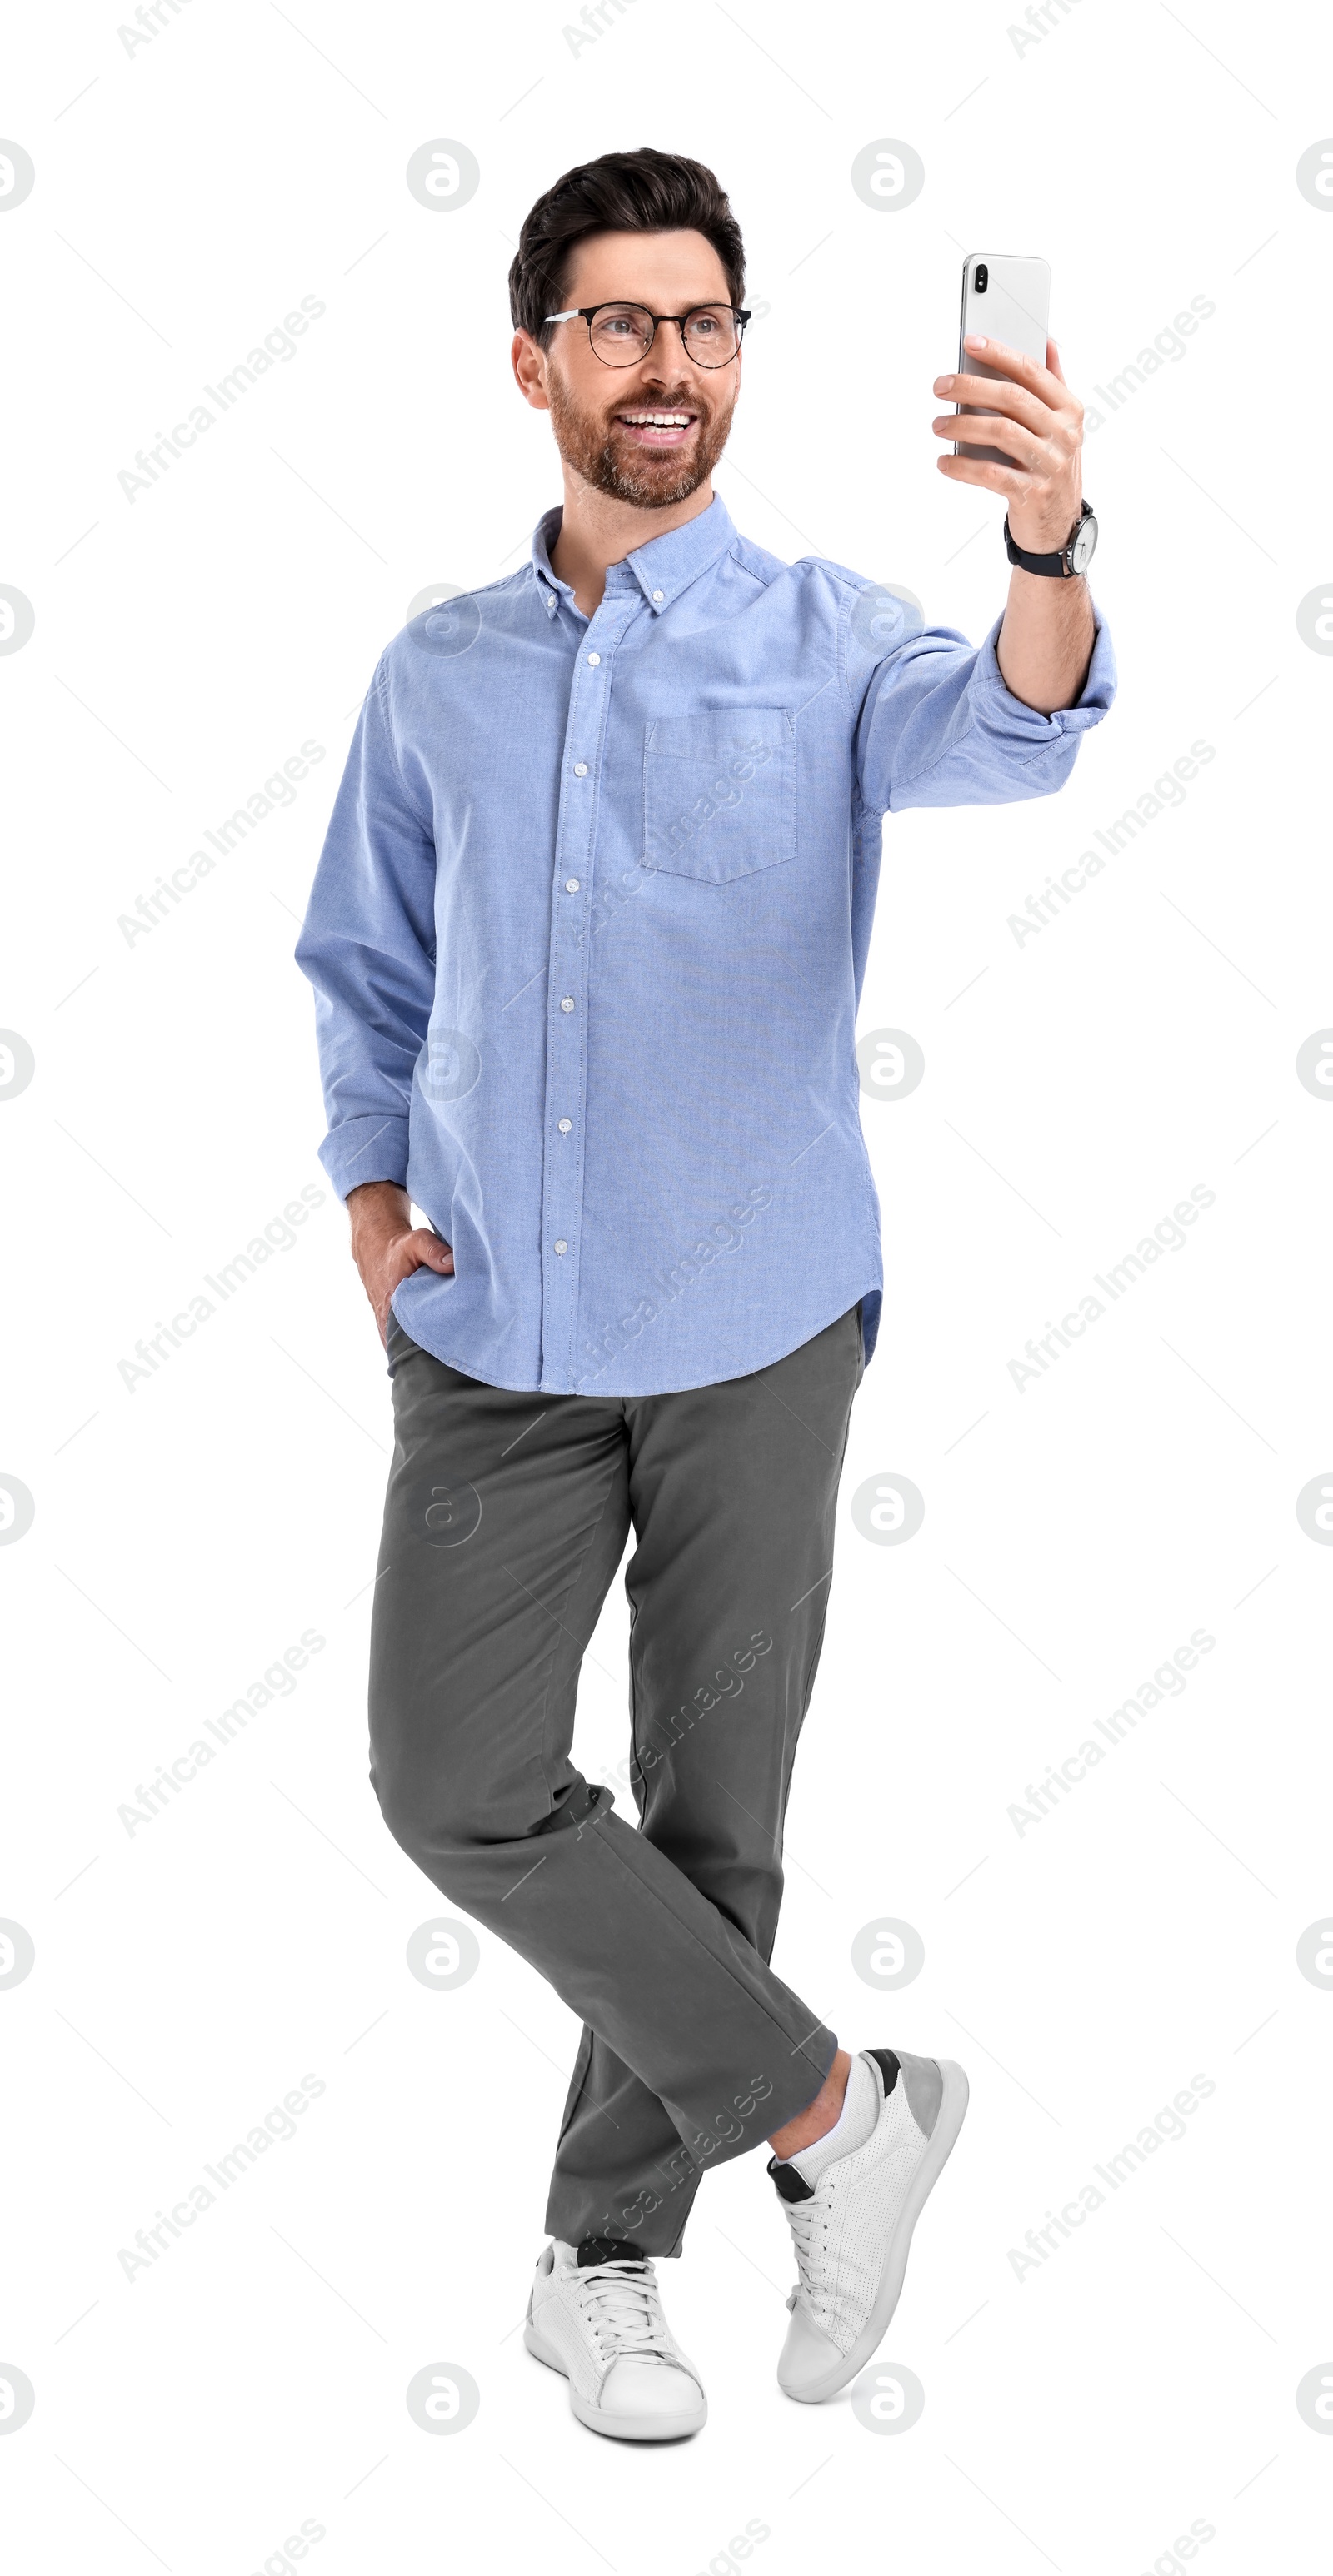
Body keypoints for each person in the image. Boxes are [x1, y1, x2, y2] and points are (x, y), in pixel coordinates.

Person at [295, 146, 1114, 2443]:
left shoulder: (840, 638)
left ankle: (602, 2264)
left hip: (761, 1326)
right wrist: (370, 1189)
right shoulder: (434, 673)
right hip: (492, 1344)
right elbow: (365, 964)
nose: (670, 368)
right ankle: (847, 2113)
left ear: (742, 353)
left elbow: (1028, 724)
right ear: (538, 356)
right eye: (624, 325)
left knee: (711, 1817)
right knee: (453, 1780)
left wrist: (1043, 544)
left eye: (708, 325)